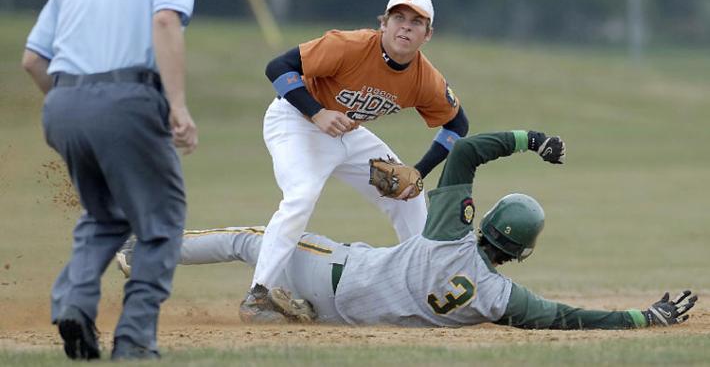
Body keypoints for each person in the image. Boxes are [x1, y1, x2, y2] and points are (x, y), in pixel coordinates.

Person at [118, 130, 696, 328]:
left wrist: (530, 139)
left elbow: (466, 149)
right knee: (267, 248)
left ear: (488, 222)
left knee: (253, 240)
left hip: (335, 274)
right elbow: (567, 318)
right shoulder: (499, 298)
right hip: (344, 318)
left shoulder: (450, 233)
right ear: (521, 254)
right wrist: (643, 316)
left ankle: (144, 255)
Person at [22, 0, 197, 361]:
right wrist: (178, 107)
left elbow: (33, 60)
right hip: (128, 98)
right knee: (160, 223)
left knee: (105, 216)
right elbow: (165, 22)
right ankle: (135, 338)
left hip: (62, 104)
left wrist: (75, 105)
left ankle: (73, 303)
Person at [244, 0, 470, 322]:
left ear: (428, 34)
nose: (405, 27)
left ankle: (428, 291)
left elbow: (457, 125)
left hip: (348, 135)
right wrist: (317, 112)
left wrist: (420, 171)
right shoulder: (348, 46)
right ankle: (259, 295)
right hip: (296, 122)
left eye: (416, 22)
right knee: (301, 196)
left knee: (406, 195)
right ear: (384, 23)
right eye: (398, 18)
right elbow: (278, 67)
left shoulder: (424, 79)